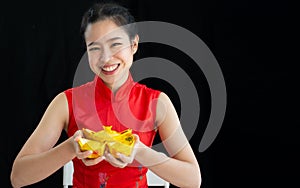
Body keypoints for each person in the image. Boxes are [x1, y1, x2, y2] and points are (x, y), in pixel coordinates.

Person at [10, 2, 201, 188]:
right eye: (95, 48)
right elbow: (18, 177)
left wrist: (140, 152)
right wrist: (71, 147)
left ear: (134, 44)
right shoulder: (66, 102)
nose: (106, 58)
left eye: (115, 44)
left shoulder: (157, 103)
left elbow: (193, 179)